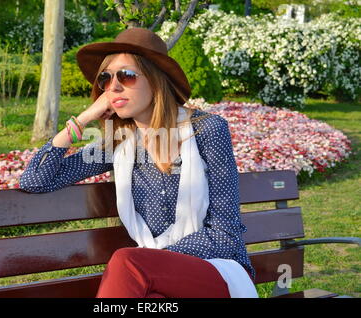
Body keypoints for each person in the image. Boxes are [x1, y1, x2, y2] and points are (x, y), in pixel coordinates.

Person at [19, 28, 257, 298]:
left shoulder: (207, 131)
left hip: (217, 271)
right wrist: (83, 119)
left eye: (127, 76)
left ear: (157, 80)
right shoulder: (118, 144)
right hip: (153, 280)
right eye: (105, 79)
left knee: (129, 262)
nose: (113, 87)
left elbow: (225, 234)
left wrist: (154, 262)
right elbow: (36, 180)